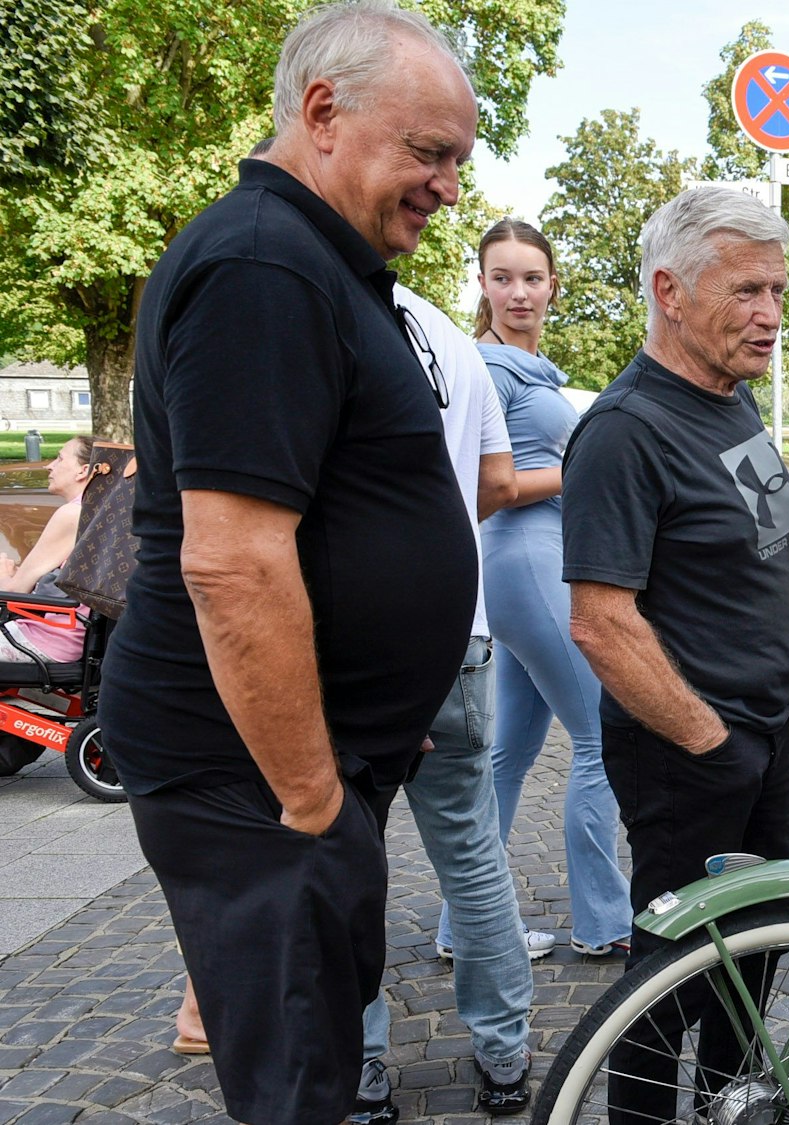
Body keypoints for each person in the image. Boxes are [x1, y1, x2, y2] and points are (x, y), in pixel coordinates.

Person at [98, 3, 479, 1121]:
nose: (447, 185)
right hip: (255, 782)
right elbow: (231, 563)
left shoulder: (308, 257)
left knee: (313, 1067)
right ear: (322, 113)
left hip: (292, 773)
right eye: (428, 152)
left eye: (456, 159)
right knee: (300, 1090)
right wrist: (314, 797)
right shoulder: (266, 265)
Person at [563, 186, 789, 1112]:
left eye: (778, 291)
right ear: (669, 288)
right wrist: (712, 744)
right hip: (689, 748)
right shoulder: (627, 430)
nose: (770, 314)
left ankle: (732, 1103)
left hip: (761, 732)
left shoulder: (730, 400)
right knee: (668, 982)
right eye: (746, 291)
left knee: (755, 952)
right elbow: (600, 621)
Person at [349, 283, 535, 1121]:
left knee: (346, 858)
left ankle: (361, 1069)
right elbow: (497, 477)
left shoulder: (330, 309)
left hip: (355, 642)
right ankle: (504, 1057)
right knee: (471, 850)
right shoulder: (452, 339)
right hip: (460, 629)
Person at [434, 217, 630, 963]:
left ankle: (465, 926)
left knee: (507, 756)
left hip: (528, 566)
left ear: (553, 283)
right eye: (503, 277)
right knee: (600, 736)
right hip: (528, 561)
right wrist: (587, 469)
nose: (519, 291)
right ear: (481, 284)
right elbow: (495, 485)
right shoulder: (487, 366)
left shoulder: (528, 366)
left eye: (533, 277)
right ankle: (606, 921)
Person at [0, 435, 96, 666]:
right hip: (65, 637)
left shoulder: (73, 514)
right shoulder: (98, 510)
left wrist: (5, 575)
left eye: (59, 458)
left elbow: (15, 591)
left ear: (82, 471)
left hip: (44, 640)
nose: (49, 465)